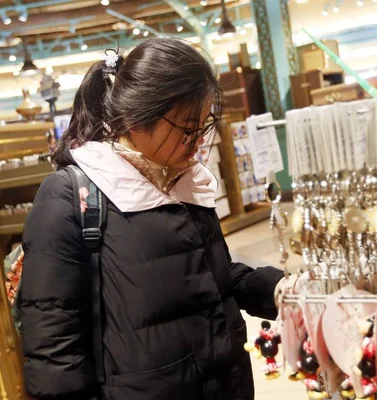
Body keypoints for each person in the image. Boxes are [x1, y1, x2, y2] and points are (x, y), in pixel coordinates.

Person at [19, 38, 291, 400]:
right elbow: (53, 347)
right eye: (186, 126)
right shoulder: (71, 195)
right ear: (135, 118)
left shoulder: (184, 179)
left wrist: (282, 291)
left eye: (204, 124)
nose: (197, 141)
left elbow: (216, 275)